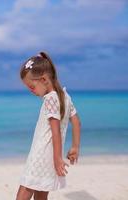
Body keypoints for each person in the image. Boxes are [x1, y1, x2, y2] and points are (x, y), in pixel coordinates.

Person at [16, 51, 81, 200]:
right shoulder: (65, 96)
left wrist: (58, 158)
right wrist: (75, 147)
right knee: (41, 194)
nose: (31, 91)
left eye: (32, 87)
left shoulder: (50, 99)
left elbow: (55, 129)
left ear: (44, 79)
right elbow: (77, 121)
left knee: (24, 191)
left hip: (41, 155)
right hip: (51, 157)